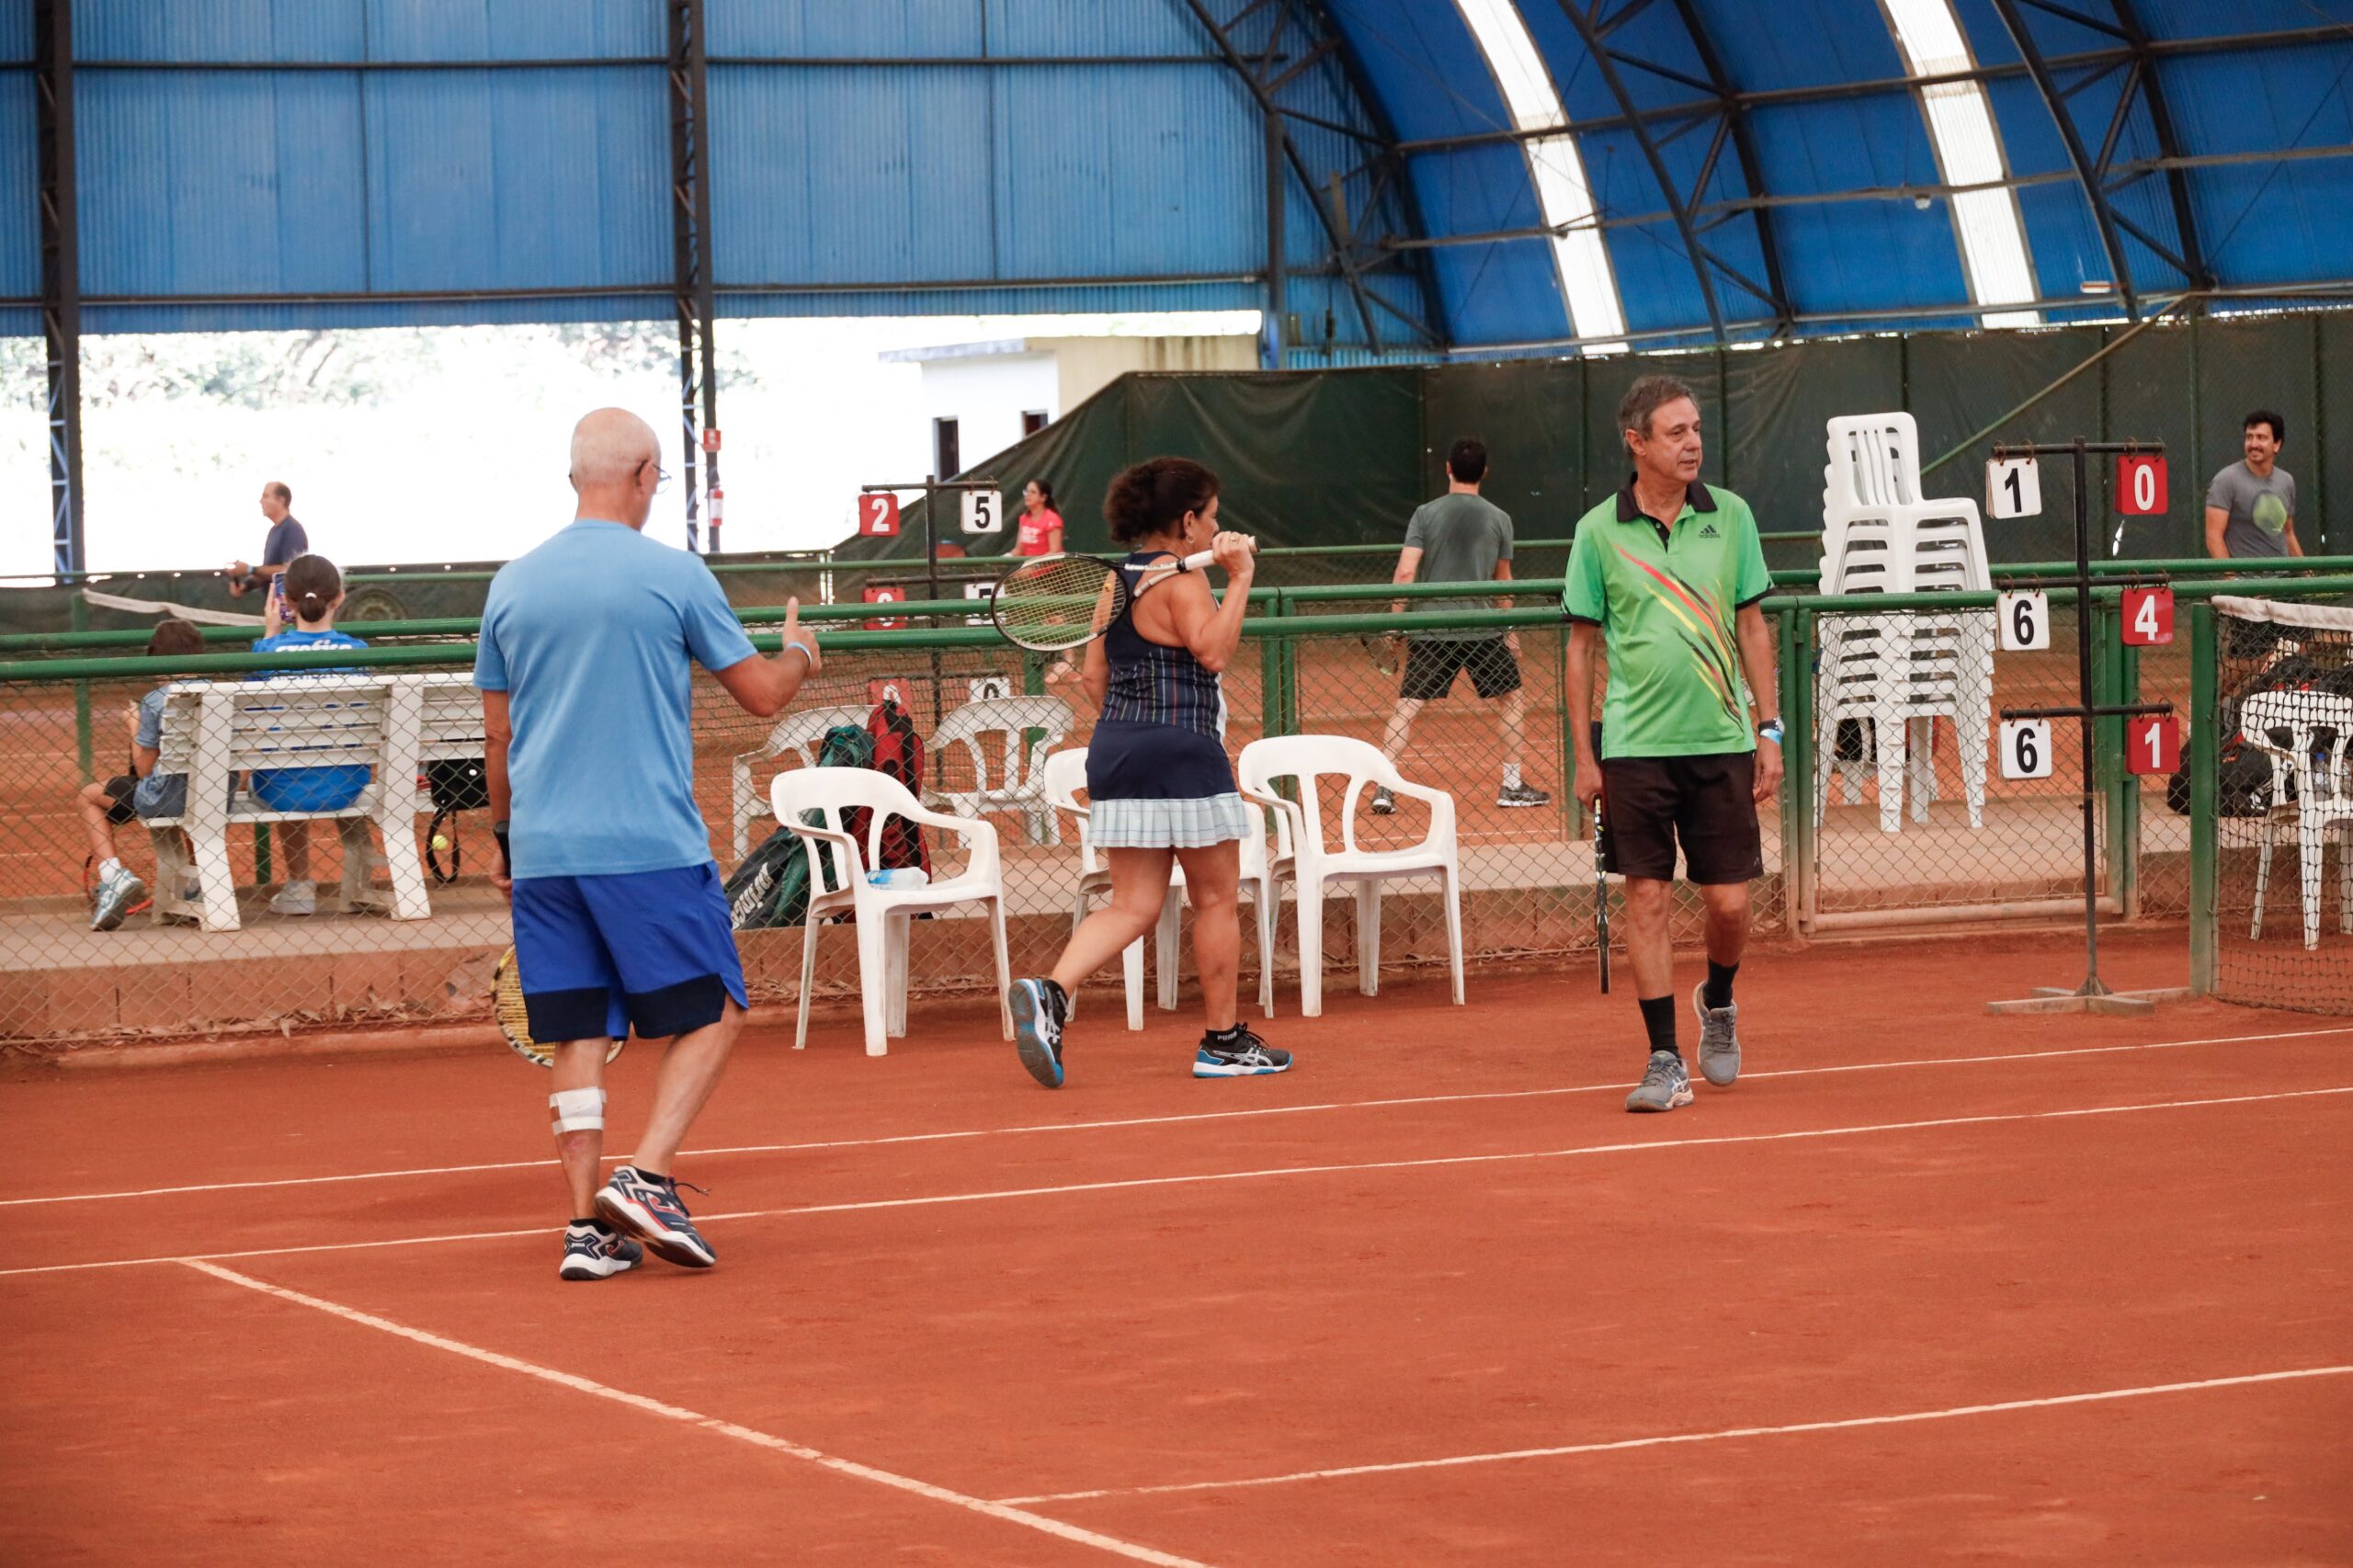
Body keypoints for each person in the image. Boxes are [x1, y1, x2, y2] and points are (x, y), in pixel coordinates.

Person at [477, 407, 821, 1283]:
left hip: (548, 850)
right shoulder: (673, 573)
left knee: (577, 1034)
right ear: (642, 476)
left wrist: (508, 845)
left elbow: (497, 739)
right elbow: (762, 697)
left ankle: (587, 1231)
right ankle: (649, 1175)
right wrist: (800, 655)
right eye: (658, 478)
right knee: (717, 1009)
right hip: (648, 845)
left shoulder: (512, 584)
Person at [1006, 457, 1289, 1087]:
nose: (1216, 526)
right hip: (1183, 750)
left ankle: (1051, 991)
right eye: (1211, 517)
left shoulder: (1114, 582)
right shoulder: (1186, 584)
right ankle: (1222, 1043)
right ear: (1187, 521)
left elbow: (1093, 679)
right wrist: (1240, 578)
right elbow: (1212, 652)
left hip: (1115, 750)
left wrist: (1137, 726)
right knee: (1215, 897)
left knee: (1132, 904)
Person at [1564, 375, 1781, 1114]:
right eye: (1676, 432)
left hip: (1722, 740)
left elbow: (1754, 627)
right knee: (1648, 897)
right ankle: (1663, 1059)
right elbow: (1579, 650)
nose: (1692, 443)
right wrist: (1585, 758)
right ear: (1637, 442)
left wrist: (1769, 730)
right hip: (1633, 745)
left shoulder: (1734, 518)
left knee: (1727, 905)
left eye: (1696, 429)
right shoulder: (1598, 530)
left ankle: (1717, 999)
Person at [1376, 438, 1549, 813]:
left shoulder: (1424, 513)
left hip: (1432, 626)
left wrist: (1393, 624)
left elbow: (1406, 571)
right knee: (1512, 700)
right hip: (1482, 627)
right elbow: (1504, 581)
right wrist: (1510, 627)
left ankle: (1384, 788)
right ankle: (1512, 784)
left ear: (1448, 468)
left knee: (1407, 706)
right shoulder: (1500, 518)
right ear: (1484, 472)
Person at [248, 553, 371, 917]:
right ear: (340, 597)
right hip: (350, 784)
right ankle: (360, 881)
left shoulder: (267, 652)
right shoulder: (357, 651)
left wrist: (270, 636)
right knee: (333, 754)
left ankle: (300, 884)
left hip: (280, 789)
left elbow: (251, 716)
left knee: (286, 764)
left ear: (287, 602)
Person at [80, 618, 207, 931]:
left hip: (163, 798)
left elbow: (144, 769)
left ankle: (112, 876)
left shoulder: (154, 700)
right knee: (194, 796)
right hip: (215, 796)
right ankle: (197, 881)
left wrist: (134, 724)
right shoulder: (219, 692)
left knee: (86, 796)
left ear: (156, 659)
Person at [2205, 410, 2302, 561]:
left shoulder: (2286, 481)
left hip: (2284, 578)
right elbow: (2213, 537)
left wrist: (2307, 576)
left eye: (2261, 438)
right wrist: (2231, 580)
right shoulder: (2226, 480)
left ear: (2277, 444)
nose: (2253, 444)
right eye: (2249, 437)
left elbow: (2288, 533)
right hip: (2246, 581)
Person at [226, 482, 309, 599]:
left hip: (288, 609)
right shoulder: (274, 532)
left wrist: (250, 569)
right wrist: (245, 586)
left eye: (265, 496)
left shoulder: (293, 530)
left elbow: (290, 571)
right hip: (275, 608)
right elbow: (269, 573)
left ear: (281, 500)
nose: (261, 501)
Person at [1015, 478, 1064, 556]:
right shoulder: (1023, 518)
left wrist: (1035, 566)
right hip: (1029, 566)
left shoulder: (1052, 519)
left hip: (1049, 566)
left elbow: (1054, 552)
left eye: (1033, 492)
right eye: (1026, 492)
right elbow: (1018, 550)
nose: (1028, 495)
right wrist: (1004, 558)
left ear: (1043, 497)